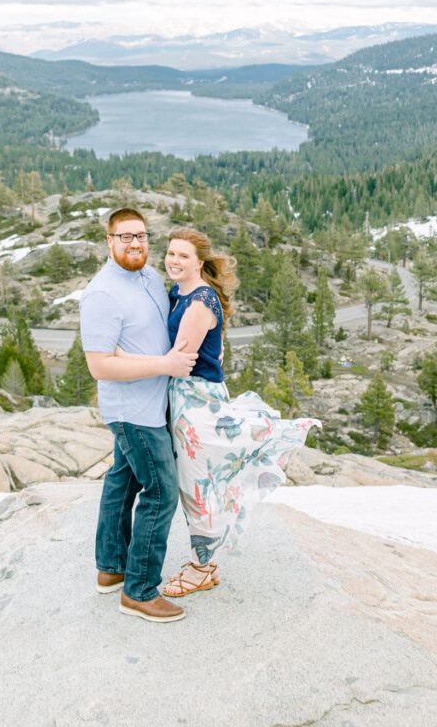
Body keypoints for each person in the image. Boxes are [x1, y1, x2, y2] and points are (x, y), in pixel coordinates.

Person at [159, 226, 321, 597]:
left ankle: (202, 567)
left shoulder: (199, 301)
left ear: (199, 262)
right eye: (171, 253)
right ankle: (205, 562)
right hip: (187, 398)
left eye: (183, 256)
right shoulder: (179, 292)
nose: (174, 261)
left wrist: (120, 360)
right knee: (195, 481)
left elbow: (179, 361)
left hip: (195, 401)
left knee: (198, 483)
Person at [79, 208, 197, 624]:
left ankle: (111, 568)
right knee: (161, 492)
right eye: (124, 237)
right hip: (134, 412)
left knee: (122, 480)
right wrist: (163, 365)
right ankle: (140, 591)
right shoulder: (101, 295)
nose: (135, 244)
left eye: (141, 236)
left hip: (153, 401)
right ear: (109, 241)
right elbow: (100, 366)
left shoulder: (147, 276)